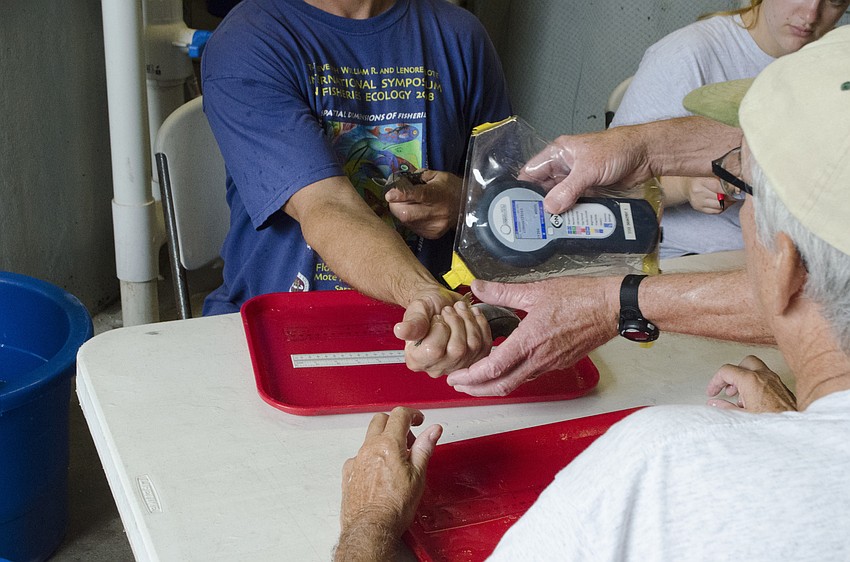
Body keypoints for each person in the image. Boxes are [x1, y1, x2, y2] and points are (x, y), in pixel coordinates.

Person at [336, 26, 850, 560]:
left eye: (744, 192)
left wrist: (368, 525)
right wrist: (794, 436)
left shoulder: (660, 467)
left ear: (786, 269)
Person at [199, 0, 512, 345]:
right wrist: (422, 293)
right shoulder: (247, 40)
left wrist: (463, 199)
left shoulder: (460, 37)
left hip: (434, 334)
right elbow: (327, 205)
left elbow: (510, 203)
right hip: (278, 328)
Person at [611, 0, 848, 259]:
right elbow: (610, 189)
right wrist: (684, 186)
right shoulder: (684, 55)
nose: (810, 15)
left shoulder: (832, 67)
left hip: (793, 259)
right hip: (695, 257)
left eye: (834, 2)